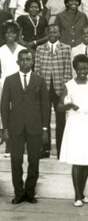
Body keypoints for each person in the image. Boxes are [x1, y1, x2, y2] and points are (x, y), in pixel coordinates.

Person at [0, 49, 49, 204]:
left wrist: (45, 129)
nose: (25, 62)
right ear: (17, 62)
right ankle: (19, 193)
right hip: (15, 128)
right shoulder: (10, 80)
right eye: (22, 60)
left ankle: (30, 192)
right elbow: (4, 107)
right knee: (16, 161)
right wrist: (5, 129)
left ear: (32, 61)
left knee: (34, 161)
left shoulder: (39, 80)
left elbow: (45, 106)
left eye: (28, 59)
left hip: (35, 127)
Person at [58, 54, 88, 207]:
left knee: (87, 160)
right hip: (75, 122)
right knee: (77, 160)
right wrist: (70, 106)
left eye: (85, 68)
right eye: (80, 68)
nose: (83, 71)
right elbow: (59, 106)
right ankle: (77, 196)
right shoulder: (69, 85)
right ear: (75, 69)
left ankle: (82, 194)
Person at [35, 24, 72, 159]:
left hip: (59, 89)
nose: (52, 34)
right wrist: (37, 88)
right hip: (44, 89)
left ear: (59, 34)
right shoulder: (40, 49)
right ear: (47, 33)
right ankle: (45, 149)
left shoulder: (66, 48)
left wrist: (66, 90)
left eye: (55, 32)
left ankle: (61, 150)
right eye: (50, 31)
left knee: (61, 120)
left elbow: (68, 71)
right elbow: (37, 70)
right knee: (44, 119)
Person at [0, 23, 26, 158]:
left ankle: (15, 145)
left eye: (13, 33)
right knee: (5, 113)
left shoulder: (22, 50)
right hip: (3, 85)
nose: (10, 35)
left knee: (17, 114)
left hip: (19, 84)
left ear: (17, 34)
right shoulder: (1, 50)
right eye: (7, 33)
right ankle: (6, 142)